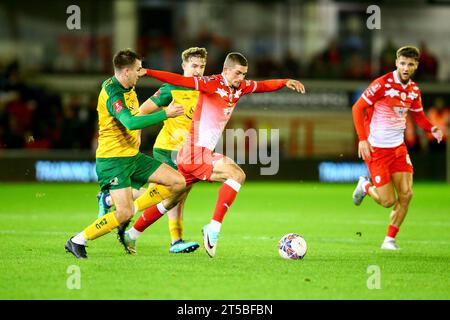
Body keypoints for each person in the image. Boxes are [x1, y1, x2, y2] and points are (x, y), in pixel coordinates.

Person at [118, 52, 305, 257]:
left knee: (171, 200)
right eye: (237, 73)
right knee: (237, 175)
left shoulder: (240, 87)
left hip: (190, 154)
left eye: (244, 74)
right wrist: (150, 72)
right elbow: (179, 79)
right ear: (226, 70)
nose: (241, 78)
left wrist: (285, 81)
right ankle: (213, 229)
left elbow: (262, 86)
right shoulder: (211, 83)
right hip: (195, 153)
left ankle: (132, 234)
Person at [64, 49, 186, 259]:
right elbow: (129, 122)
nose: (141, 73)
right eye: (138, 70)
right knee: (125, 214)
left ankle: (109, 201)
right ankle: (77, 240)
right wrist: (165, 114)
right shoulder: (113, 94)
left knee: (178, 183)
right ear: (127, 71)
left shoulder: (129, 86)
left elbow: (135, 116)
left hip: (132, 156)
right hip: (113, 161)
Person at [99, 47, 208, 254]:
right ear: (183, 66)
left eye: (202, 66)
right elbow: (142, 111)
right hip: (168, 148)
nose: (198, 71)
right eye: (194, 66)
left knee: (172, 194)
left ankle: (110, 199)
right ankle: (175, 241)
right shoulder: (171, 89)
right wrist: (136, 134)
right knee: (175, 191)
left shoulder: (203, 88)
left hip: (189, 151)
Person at [351, 45, 443, 250]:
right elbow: (357, 108)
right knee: (387, 201)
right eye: (402, 63)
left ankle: (389, 239)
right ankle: (365, 186)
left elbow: (418, 115)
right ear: (396, 63)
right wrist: (362, 139)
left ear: (416, 66)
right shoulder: (382, 84)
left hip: (398, 148)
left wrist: (432, 128)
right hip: (377, 149)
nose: (406, 67)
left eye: (410, 64)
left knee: (406, 195)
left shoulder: (414, 90)